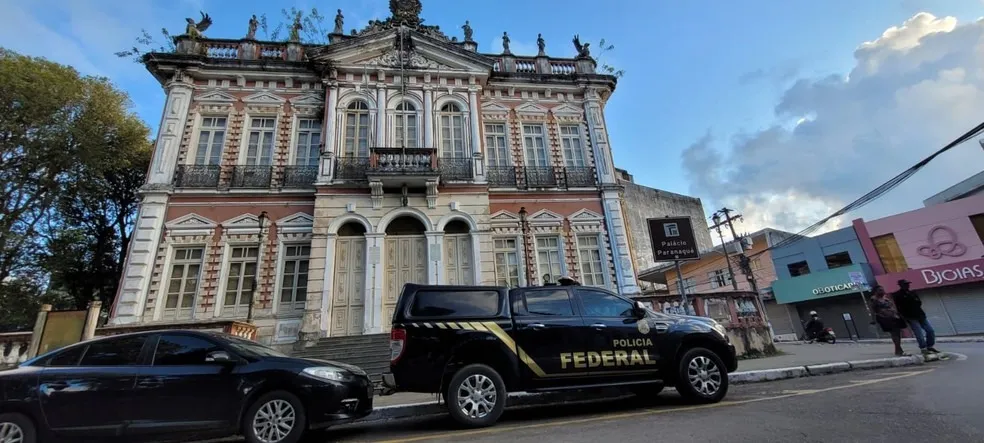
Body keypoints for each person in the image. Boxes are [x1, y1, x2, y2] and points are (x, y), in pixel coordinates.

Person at [892, 279, 940, 355]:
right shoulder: (897, 295)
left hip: (920, 315)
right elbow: (899, 308)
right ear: (900, 285)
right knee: (919, 333)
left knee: (930, 330)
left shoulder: (913, 293)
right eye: (905, 284)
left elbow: (919, 302)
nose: (907, 285)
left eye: (908, 284)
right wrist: (904, 316)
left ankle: (930, 346)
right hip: (910, 317)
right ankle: (923, 348)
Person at [870, 285, 910, 356]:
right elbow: (873, 310)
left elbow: (892, 307)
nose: (882, 291)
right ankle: (899, 350)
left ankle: (898, 350)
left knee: (897, 333)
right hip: (885, 318)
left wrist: (897, 314)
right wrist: (874, 319)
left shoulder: (886, 299)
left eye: (882, 289)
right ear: (875, 291)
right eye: (880, 290)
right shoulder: (874, 300)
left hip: (894, 317)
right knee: (894, 333)